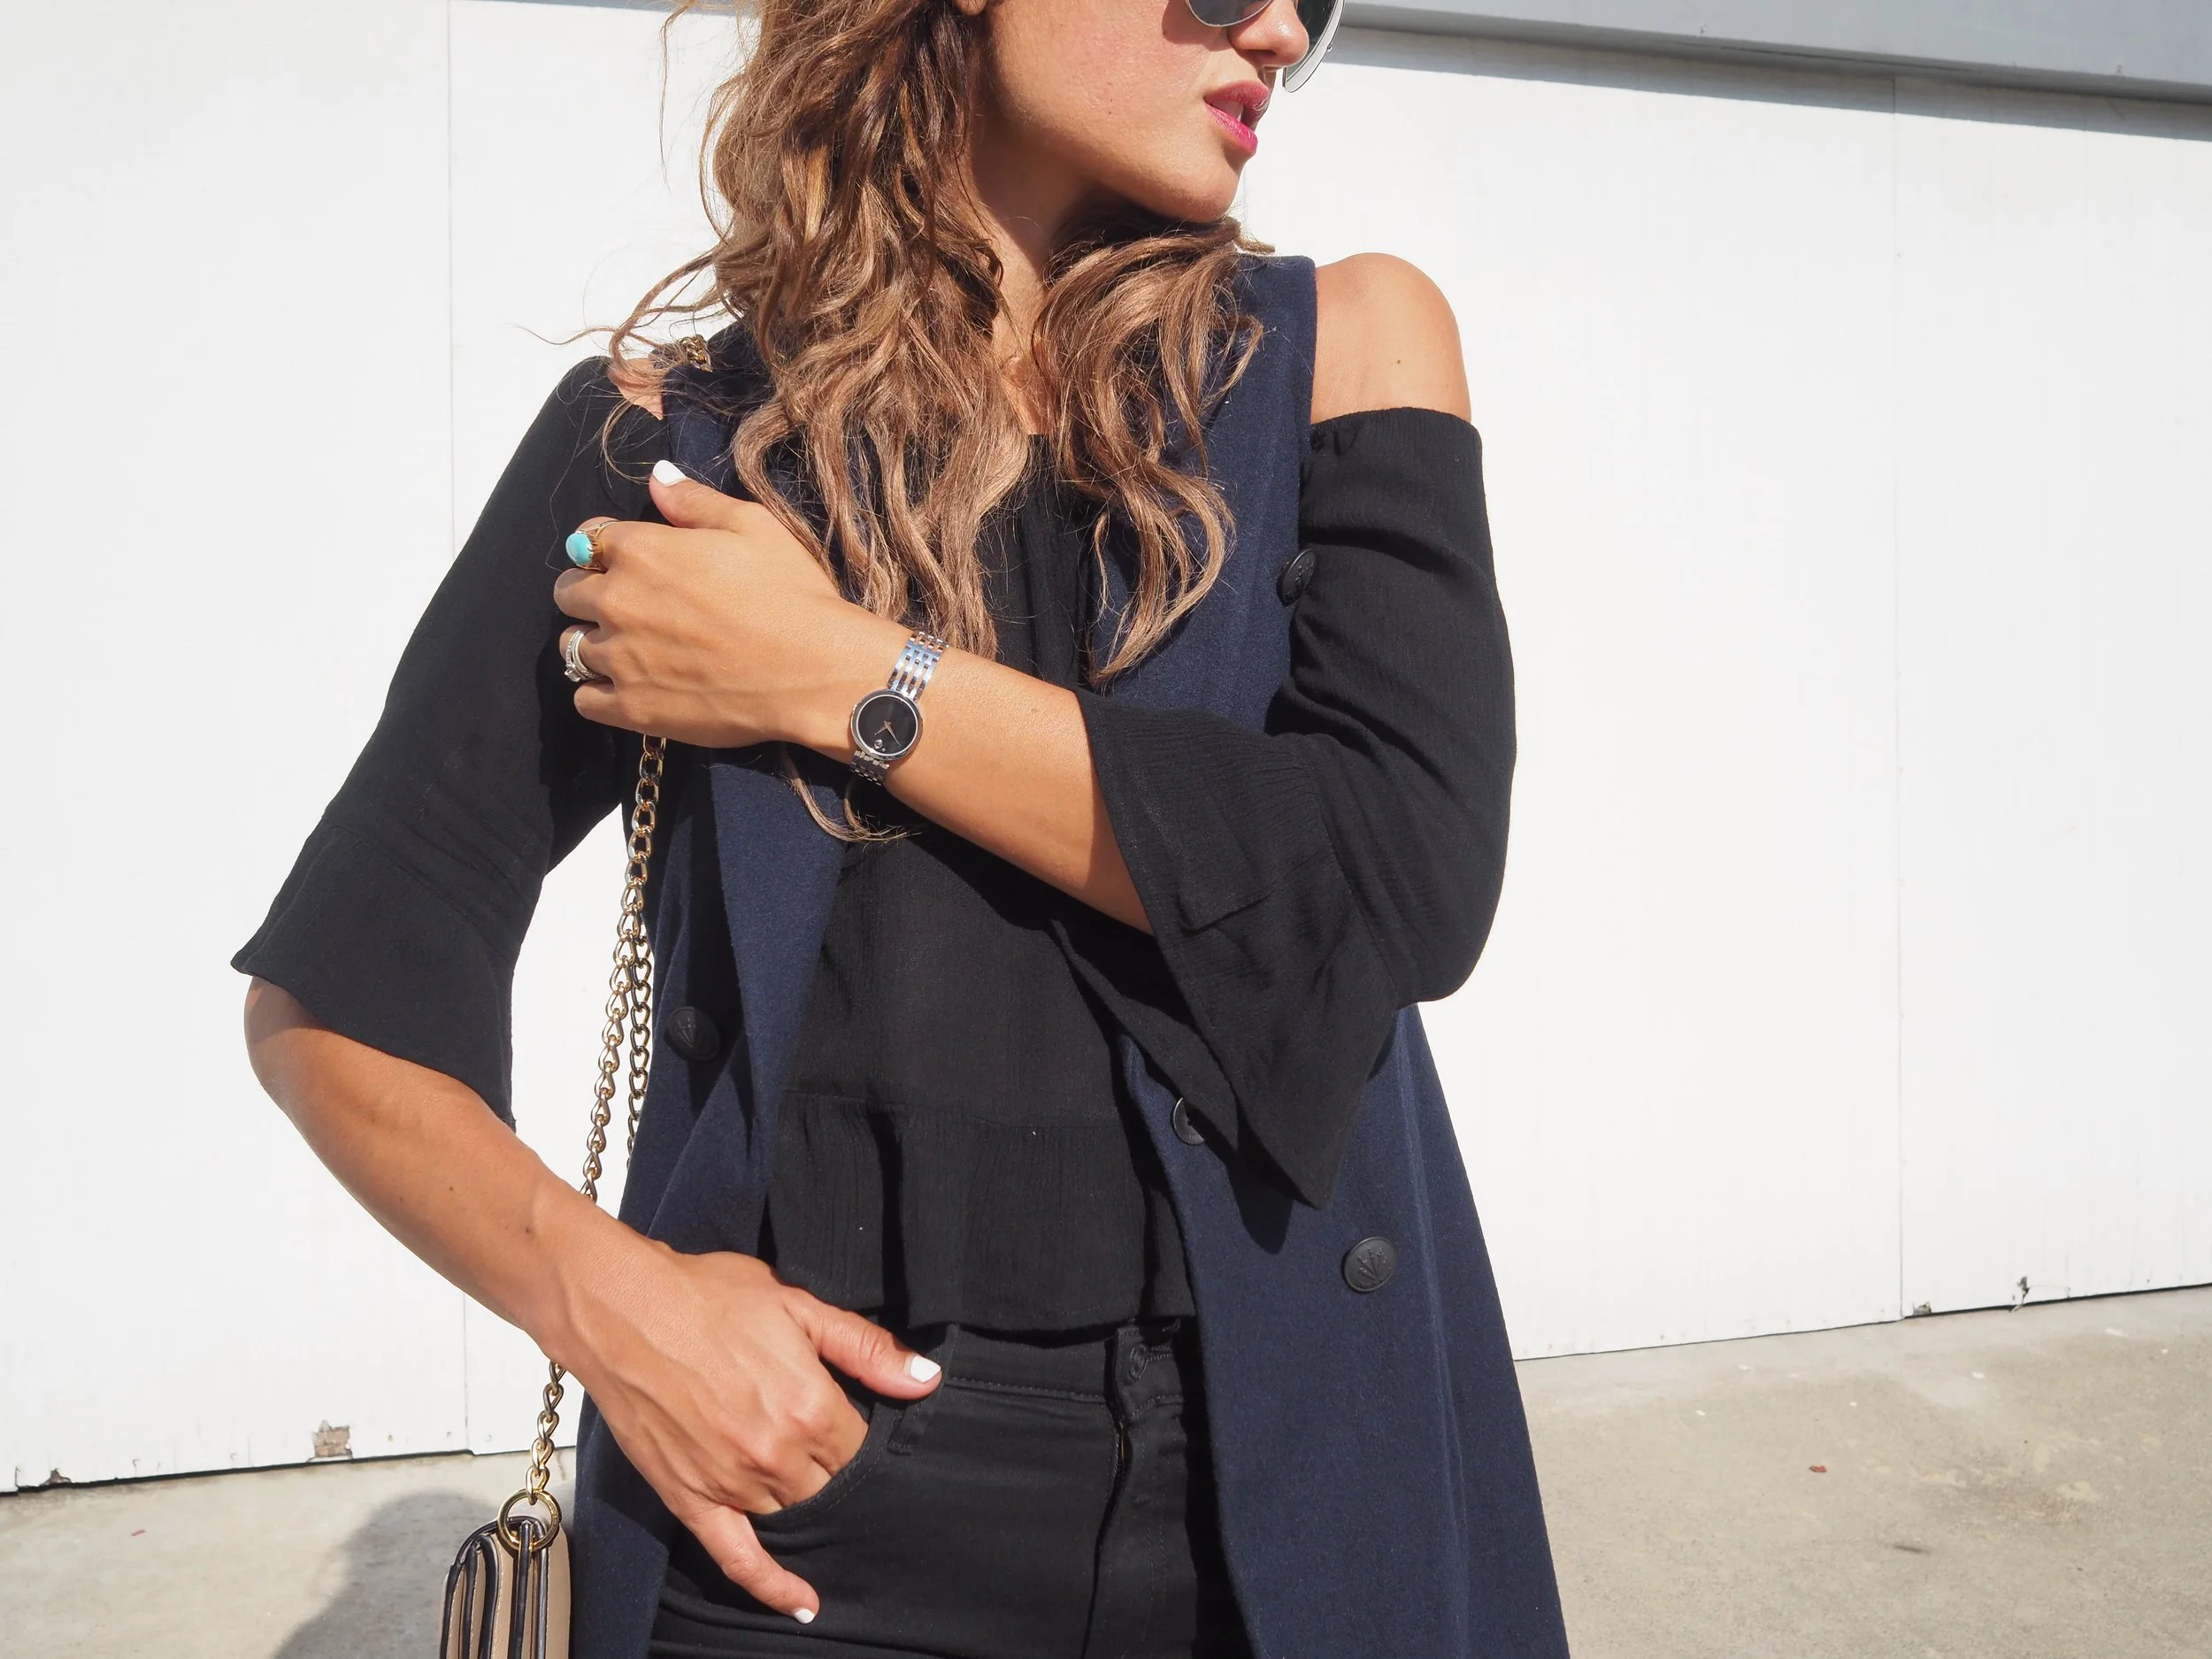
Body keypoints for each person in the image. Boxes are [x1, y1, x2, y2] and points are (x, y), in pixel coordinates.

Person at [235, 2, 1569, 1655]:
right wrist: (618, 1308)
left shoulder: (1340, 350)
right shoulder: (675, 453)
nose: (1283, 32)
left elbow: (1399, 881)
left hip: (1285, 1480)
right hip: (795, 1517)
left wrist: (839, 672)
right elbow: (335, 998)